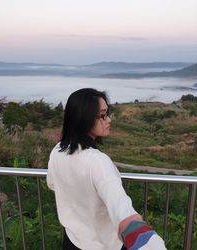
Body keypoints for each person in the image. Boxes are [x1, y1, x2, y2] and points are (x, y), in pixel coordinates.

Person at [47, 88, 167, 250]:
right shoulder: (98, 162)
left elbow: (53, 185)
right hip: (103, 244)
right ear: (84, 118)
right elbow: (121, 209)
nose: (109, 119)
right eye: (103, 115)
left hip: (72, 241)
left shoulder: (57, 151)